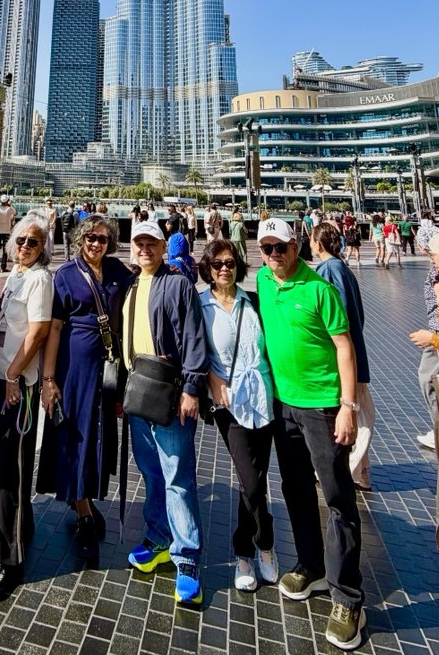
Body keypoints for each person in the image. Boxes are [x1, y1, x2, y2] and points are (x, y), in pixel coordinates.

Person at [256, 217, 365, 651]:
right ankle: (311, 565)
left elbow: (345, 346)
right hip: (285, 406)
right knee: (296, 488)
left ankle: (347, 597)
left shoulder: (320, 287)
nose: (274, 256)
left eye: (281, 247)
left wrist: (348, 407)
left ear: (296, 245)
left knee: (338, 498)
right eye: (267, 248)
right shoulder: (263, 281)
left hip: (322, 407)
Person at [37, 214, 134, 560]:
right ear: (80, 239)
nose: (96, 244)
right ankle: (82, 510)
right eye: (90, 238)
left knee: (98, 433)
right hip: (73, 368)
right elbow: (54, 330)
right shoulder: (65, 276)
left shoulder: (119, 273)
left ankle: (87, 497)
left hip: (107, 369)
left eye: (103, 239)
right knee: (75, 434)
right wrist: (49, 381)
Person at [124, 221, 208, 606]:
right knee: (152, 471)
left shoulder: (176, 284)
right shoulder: (131, 284)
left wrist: (191, 388)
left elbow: (193, 338)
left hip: (170, 393)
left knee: (178, 476)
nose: (144, 249)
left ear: (163, 247)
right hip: (138, 393)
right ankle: (159, 536)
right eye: (139, 243)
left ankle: (187, 558)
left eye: (151, 243)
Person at [199, 238, 277, 592]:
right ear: (208, 269)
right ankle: (257, 546)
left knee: (255, 479)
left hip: (263, 398)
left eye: (230, 263)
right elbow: (195, 352)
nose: (225, 269)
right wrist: (213, 382)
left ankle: (254, 550)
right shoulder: (201, 306)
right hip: (228, 404)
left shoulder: (254, 302)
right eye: (218, 264)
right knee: (252, 479)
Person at [0, 214, 53, 600]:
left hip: (19, 386)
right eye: (21, 240)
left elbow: (40, 330)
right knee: (6, 456)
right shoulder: (16, 275)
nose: (25, 246)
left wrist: (13, 374)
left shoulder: (41, 279)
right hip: (4, 380)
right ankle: (7, 520)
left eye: (34, 242)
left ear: (43, 248)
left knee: (14, 462)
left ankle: (6, 555)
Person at [312, 223, 375, 491]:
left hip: (344, 357)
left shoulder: (328, 270)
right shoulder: (341, 267)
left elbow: (339, 317)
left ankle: (349, 470)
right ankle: (360, 472)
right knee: (361, 413)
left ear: (317, 244)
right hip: (354, 352)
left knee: (356, 415)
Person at [409, 229, 439, 451]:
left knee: (430, 380)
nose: (433, 261)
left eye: (436, 256)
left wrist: (431, 338)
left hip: (436, 339)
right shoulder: (437, 276)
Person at [0, 196, 17, 272]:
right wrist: (10, 205)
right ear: (7, 201)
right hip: (6, 231)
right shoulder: (10, 209)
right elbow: (16, 213)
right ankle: (3, 267)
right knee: (5, 251)